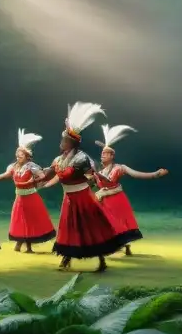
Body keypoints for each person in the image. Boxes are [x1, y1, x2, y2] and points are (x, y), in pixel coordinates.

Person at [39, 102, 126, 272]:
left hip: (83, 198)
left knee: (89, 226)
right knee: (68, 227)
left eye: (64, 140)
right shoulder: (58, 160)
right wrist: (37, 178)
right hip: (69, 198)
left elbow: (90, 175)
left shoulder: (81, 158)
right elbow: (48, 173)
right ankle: (66, 257)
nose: (61, 143)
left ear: (71, 143)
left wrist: (91, 181)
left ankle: (101, 259)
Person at [92, 124, 168, 256]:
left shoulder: (120, 167)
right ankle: (108, 247)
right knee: (104, 224)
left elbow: (137, 174)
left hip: (116, 200)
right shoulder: (99, 171)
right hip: (103, 200)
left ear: (112, 156)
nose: (102, 156)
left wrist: (156, 174)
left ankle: (124, 245)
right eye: (102, 154)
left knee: (119, 224)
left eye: (105, 154)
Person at [0, 129, 56, 253]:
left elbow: (42, 176)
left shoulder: (31, 166)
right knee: (20, 220)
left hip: (31, 198)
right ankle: (19, 244)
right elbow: (4, 175)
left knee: (29, 220)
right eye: (17, 154)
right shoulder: (13, 167)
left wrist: (32, 182)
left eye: (21, 155)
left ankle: (28, 247)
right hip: (19, 198)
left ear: (27, 156)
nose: (18, 156)